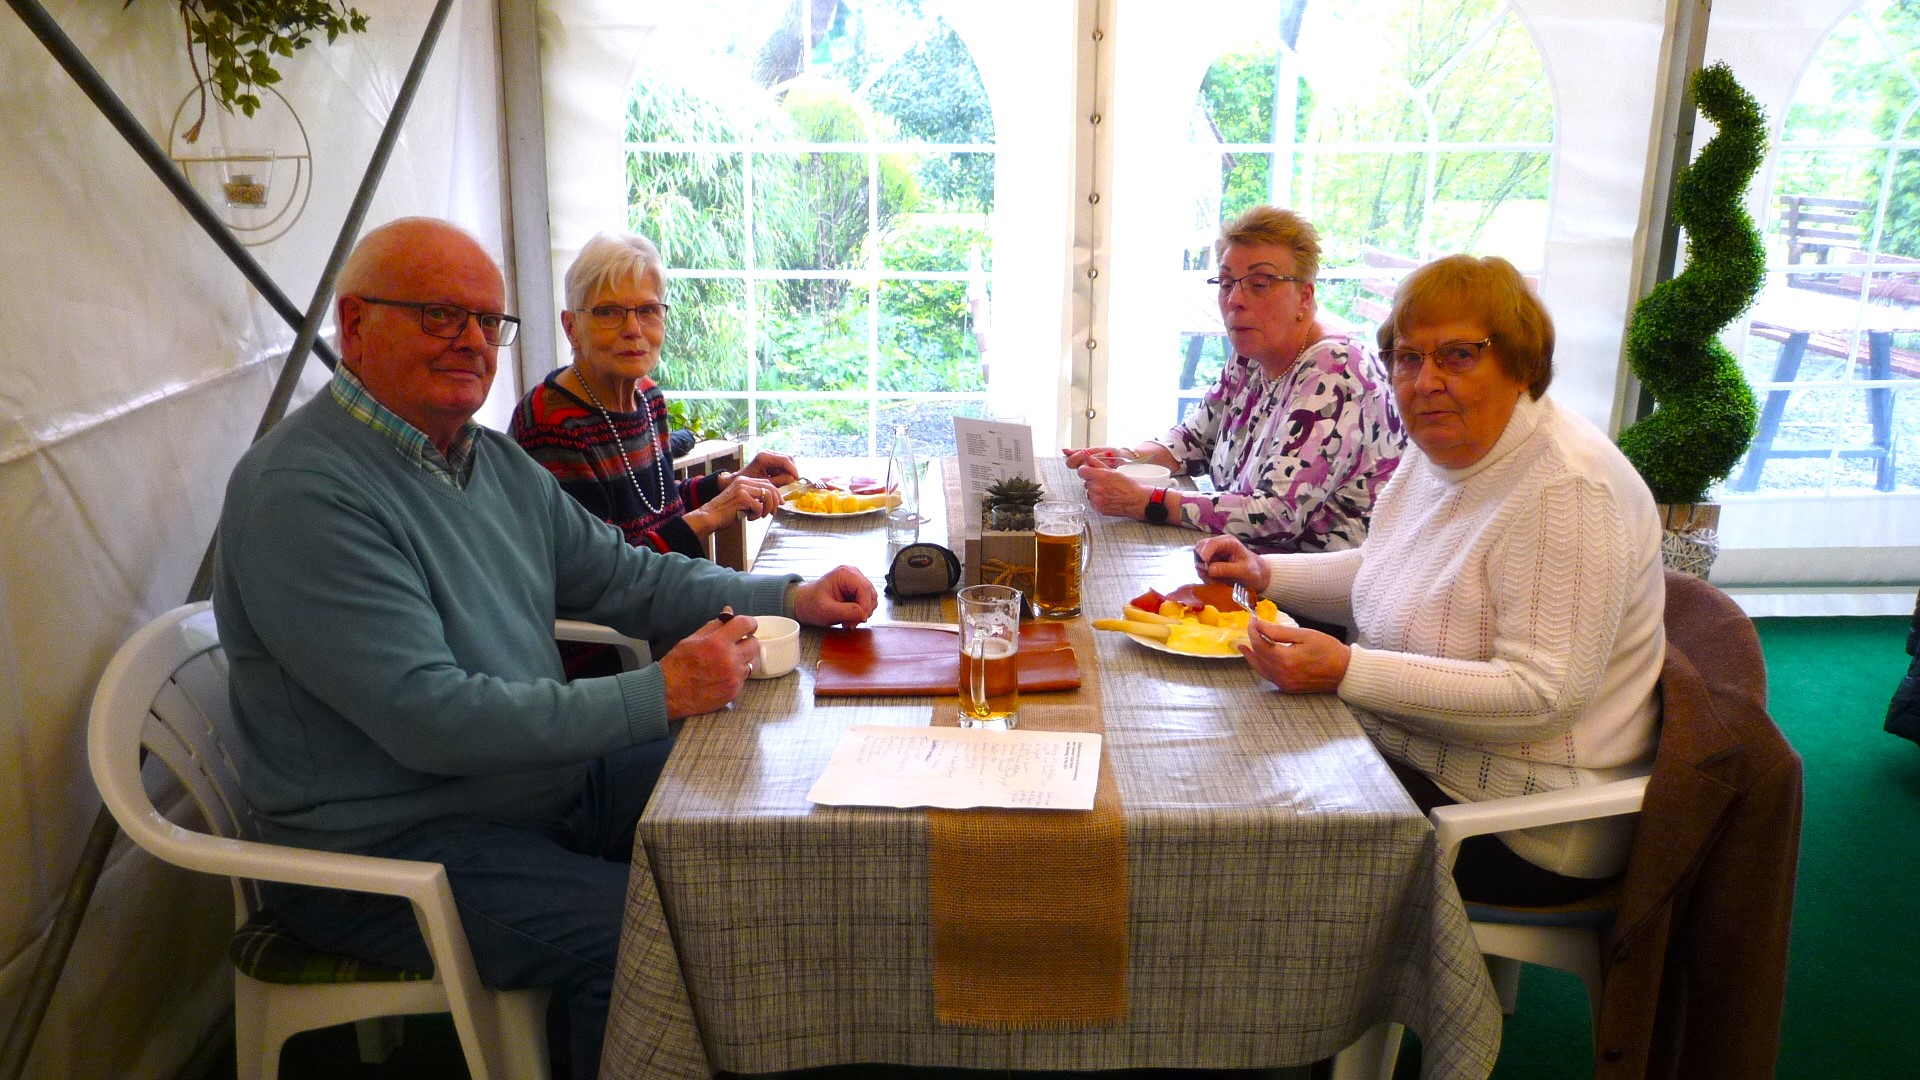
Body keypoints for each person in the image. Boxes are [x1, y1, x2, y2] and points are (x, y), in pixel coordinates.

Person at [211, 217, 878, 1079]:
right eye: (439, 315)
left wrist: (789, 598)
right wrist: (659, 692)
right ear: (356, 323)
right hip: (392, 850)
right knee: (659, 935)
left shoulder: (485, 460)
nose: (471, 340)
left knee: (767, 781)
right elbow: (432, 720)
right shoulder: (303, 493)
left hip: (532, 788)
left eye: (487, 320)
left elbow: (626, 576)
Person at [1196, 253, 1665, 904]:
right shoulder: (1446, 447)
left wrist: (1348, 671)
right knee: (1226, 752)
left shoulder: (1568, 489)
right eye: (1409, 358)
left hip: (1521, 822)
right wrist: (1265, 572)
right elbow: (1385, 567)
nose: (1426, 382)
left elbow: (1542, 696)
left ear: (1523, 365)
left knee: (1240, 833)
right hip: (1415, 751)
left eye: (1459, 356)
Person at [1067, 206, 1403, 552]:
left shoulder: (1336, 372)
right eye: (1227, 283)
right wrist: (1128, 459)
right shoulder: (1251, 356)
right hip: (1245, 562)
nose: (1235, 300)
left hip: (1318, 579)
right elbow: (1195, 439)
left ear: (1305, 296)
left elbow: (1277, 514)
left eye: (1259, 284)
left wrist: (1146, 501)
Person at [512, 231, 797, 559]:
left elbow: (658, 506)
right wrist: (711, 514)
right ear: (571, 327)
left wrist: (730, 483)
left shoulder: (647, 398)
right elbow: (603, 571)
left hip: (675, 585)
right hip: (625, 594)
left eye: (648, 310)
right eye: (609, 312)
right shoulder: (550, 423)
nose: (633, 329)